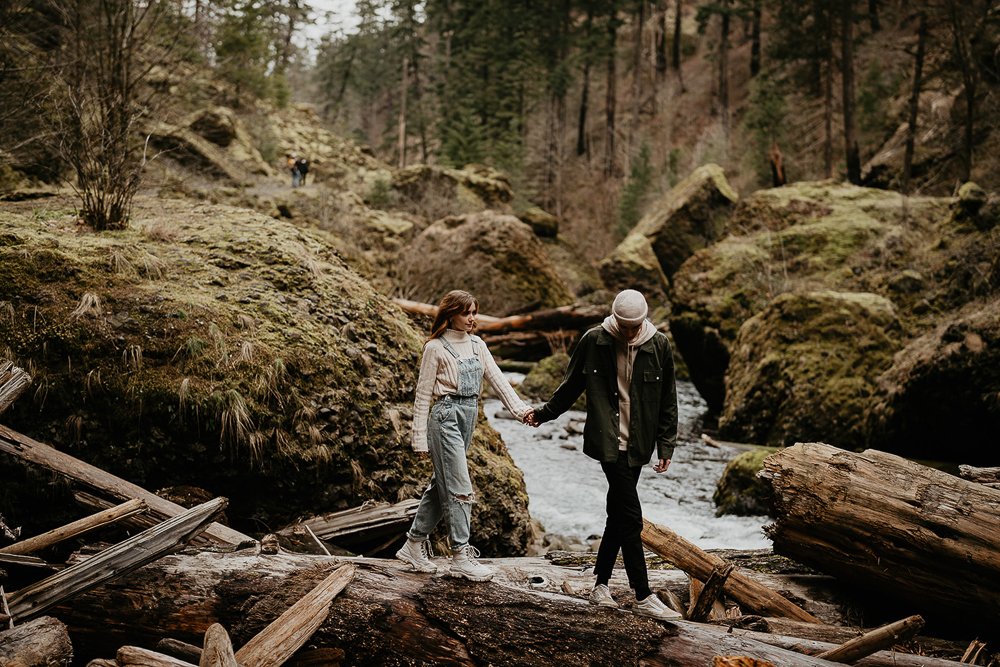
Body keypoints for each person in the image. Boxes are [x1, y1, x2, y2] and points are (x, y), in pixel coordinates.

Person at [527, 289, 681, 621]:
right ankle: (643, 594)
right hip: (608, 443)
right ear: (615, 319)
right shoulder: (594, 341)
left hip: (639, 444)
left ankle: (600, 585)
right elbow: (570, 387)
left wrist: (666, 444)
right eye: (624, 327)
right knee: (632, 517)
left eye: (634, 327)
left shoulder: (660, 346)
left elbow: (669, 398)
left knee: (618, 514)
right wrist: (542, 414)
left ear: (643, 321)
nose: (629, 333)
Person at [397, 290, 534, 582]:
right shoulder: (435, 347)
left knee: (441, 485)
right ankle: (460, 555)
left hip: (468, 417)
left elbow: (498, 379)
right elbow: (422, 396)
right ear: (451, 314)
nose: (472, 318)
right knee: (460, 487)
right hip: (445, 417)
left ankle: (413, 543)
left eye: (474, 312)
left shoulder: (477, 344)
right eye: (467, 313)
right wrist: (418, 438)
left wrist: (522, 411)